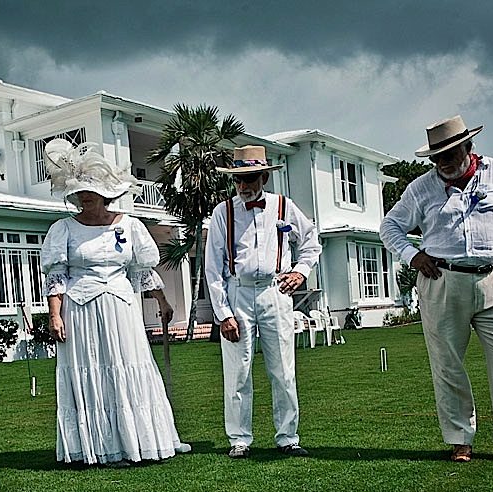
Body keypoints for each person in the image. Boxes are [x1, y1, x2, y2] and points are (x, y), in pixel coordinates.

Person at [379, 115, 493, 464]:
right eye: (437, 157)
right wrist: (412, 254)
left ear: (469, 147)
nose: (444, 163)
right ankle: (460, 440)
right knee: (447, 364)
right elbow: (389, 226)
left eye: (450, 154)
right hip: (441, 280)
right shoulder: (421, 188)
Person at [40, 139, 188, 467]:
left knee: (129, 366)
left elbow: (142, 270)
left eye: (92, 192)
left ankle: (140, 442)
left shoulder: (131, 225)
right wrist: (55, 314)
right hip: (81, 309)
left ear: (107, 193)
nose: (86, 197)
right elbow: (56, 275)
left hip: (122, 308)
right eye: (82, 192)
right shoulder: (63, 229)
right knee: (92, 369)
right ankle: (99, 446)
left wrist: (161, 301)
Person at [204, 145, 321, 459]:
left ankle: (288, 437)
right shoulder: (223, 212)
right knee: (238, 370)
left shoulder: (284, 206)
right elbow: (213, 267)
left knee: (283, 369)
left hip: (275, 292)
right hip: (237, 291)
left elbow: (311, 242)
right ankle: (239, 439)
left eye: (250, 178)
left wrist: (300, 271)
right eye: (239, 180)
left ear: (265, 177)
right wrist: (223, 314)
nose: (243, 186)